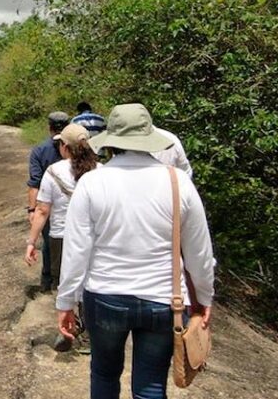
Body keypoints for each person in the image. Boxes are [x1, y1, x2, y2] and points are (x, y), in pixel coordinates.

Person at [56, 103, 215, 399]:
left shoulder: (92, 182)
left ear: (111, 141)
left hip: (104, 296)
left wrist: (66, 302)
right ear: (149, 138)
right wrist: (204, 297)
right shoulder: (178, 181)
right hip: (163, 300)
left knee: (104, 373)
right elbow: (199, 251)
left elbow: (76, 251)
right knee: (151, 385)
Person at [25, 123, 99, 289]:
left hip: (61, 237)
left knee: (64, 285)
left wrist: (31, 242)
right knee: (90, 283)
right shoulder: (100, 170)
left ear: (65, 147)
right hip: (92, 237)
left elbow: (43, 211)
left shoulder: (53, 171)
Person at [27, 111, 69, 290]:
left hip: (47, 201)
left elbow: (34, 183)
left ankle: (48, 281)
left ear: (49, 127)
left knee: (49, 240)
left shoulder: (40, 150)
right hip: (73, 204)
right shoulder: (78, 149)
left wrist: (32, 209)